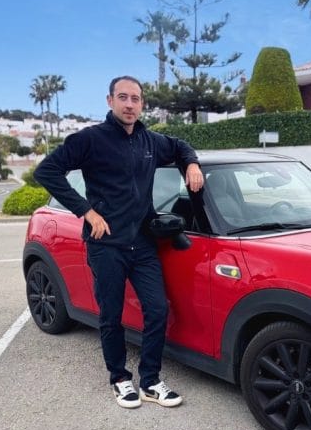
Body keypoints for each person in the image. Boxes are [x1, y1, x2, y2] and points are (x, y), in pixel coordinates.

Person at [34, 76, 204, 409]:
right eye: (123, 97)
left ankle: (150, 381)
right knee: (110, 315)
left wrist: (192, 163)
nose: (129, 104)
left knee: (157, 309)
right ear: (110, 100)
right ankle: (120, 378)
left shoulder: (150, 141)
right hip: (106, 245)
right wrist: (87, 211)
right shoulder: (90, 139)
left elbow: (181, 146)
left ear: (142, 104)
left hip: (142, 243)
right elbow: (47, 171)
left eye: (135, 99)